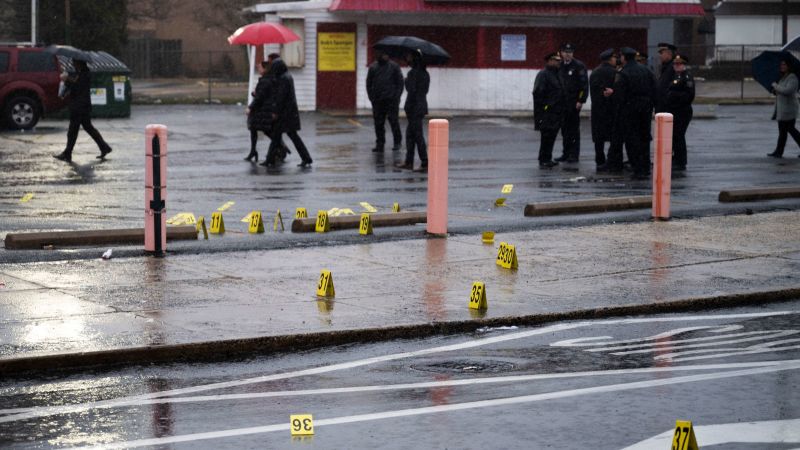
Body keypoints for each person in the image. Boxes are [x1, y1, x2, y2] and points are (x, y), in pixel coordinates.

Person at [609, 47, 656, 180]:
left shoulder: (623, 73)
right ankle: (645, 167)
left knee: (632, 140)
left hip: (629, 110)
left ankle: (637, 168)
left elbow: (619, 95)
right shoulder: (646, 70)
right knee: (644, 138)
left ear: (624, 57)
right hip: (645, 109)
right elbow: (655, 88)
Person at [54, 59, 112, 163]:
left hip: (79, 107)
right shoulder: (81, 73)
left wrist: (66, 80)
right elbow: (76, 85)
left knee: (73, 131)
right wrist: (68, 80)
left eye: (74, 62)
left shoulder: (84, 74)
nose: (73, 64)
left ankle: (67, 153)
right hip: (81, 106)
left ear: (79, 63)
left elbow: (77, 88)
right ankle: (104, 147)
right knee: (87, 128)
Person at [262, 57, 313, 168]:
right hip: (289, 113)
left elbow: (281, 97)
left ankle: (270, 160)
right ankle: (306, 158)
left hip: (285, 115)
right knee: (285, 137)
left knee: (280, 137)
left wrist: (275, 111)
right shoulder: (287, 76)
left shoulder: (283, 79)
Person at [245, 56, 287, 162]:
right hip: (264, 108)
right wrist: (255, 93)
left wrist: (250, 107)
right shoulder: (268, 79)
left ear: (264, 69)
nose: (258, 69)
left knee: (265, 129)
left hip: (263, 109)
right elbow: (263, 94)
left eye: (259, 67)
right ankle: (255, 150)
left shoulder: (265, 80)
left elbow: (260, 97)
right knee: (257, 128)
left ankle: (280, 147)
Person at [396, 50, 429, 172]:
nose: (407, 59)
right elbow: (424, 90)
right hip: (420, 107)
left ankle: (424, 162)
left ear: (415, 58)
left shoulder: (413, 73)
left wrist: (406, 81)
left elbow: (411, 90)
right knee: (410, 135)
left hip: (414, 108)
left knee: (417, 136)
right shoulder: (425, 73)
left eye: (409, 57)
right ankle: (409, 161)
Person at [555, 43, 588, 163]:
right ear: (561, 53)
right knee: (564, 129)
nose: (567, 54)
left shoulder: (578, 66)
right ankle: (566, 153)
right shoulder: (560, 65)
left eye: (570, 52)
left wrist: (581, 100)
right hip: (562, 103)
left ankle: (574, 154)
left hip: (573, 102)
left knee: (573, 130)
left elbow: (584, 85)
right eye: (565, 52)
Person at [366, 49, 403, 152]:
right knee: (378, 123)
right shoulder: (373, 67)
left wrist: (397, 97)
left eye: (387, 54)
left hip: (391, 100)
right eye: (383, 54)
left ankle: (397, 142)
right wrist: (372, 97)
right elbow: (369, 83)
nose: (385, 56)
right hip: (378, 101)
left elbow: (400, 83)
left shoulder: (394, 67)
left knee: (394, 121)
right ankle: (380, 144)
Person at [533, 52, 565, 168]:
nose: (559, 62)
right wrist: (546, 106)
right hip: (547, 112)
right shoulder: (543, 74)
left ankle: (548, 158)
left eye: (559, 60)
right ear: (550, 61)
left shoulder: (557, 74)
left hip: (556, 111)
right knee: (546, 136)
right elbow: (538, 92)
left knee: (552, 136)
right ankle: (543, 159)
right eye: (556, 60)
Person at [664, 54, 695, 170]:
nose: (676, 66)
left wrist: (673, 95)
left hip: (683, 111)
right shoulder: (677, 76)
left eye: (679, 64)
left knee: (679, 136)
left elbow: (689, 95)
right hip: (675, 111)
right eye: (675, 64)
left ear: (684, 65)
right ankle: (676, 157)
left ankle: (681, 161)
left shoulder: (686, 77)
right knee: (675, 136)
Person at [589, 48, 617, 168]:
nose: (616, 60)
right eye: (614, 57)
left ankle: (599, 159)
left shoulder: (595, 72)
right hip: (612, 109)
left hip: (598, 109)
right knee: (613, 137)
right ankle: (612, 160)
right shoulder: (615, 73)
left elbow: (594, 92)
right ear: (610, 59)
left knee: (598, 138)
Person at [767, 55, 800, 158]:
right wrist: (775, 90)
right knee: (782, 132)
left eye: (784, 64)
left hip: (789, 110)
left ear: (789, 66)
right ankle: (778, 152)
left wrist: (775, 86)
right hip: (782, 110)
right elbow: (780, 91)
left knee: (791, 130)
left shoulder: (792, 77)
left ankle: (779, 152)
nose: (782, 66)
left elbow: (787, 91)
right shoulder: (782, 78)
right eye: (781, 64)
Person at [655, 42, 677, 114]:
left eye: (662, 53)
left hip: (669, 110)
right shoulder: (665, 67)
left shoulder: (674, 68)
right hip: (663, 109)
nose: (660, 56)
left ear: (669, 53)